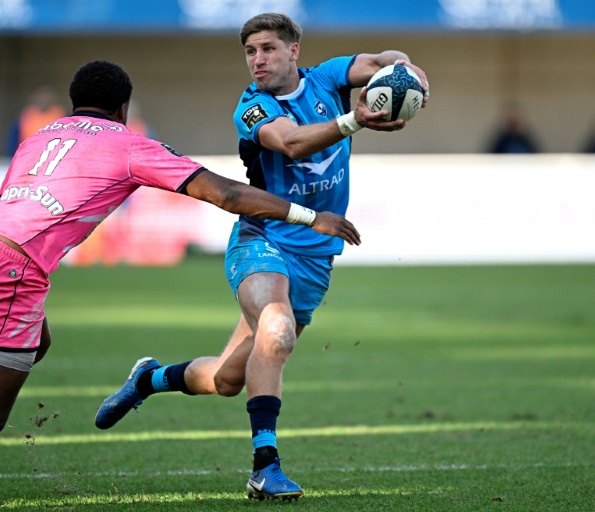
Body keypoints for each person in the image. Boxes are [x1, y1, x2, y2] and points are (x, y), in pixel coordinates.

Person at [0, 59, 360, 505]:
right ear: (123, 108)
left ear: (74, 102)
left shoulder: (41, 135)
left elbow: (8, 198)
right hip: (13, 269)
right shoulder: (128, 144)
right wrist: (310, 216)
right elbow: (227, 194)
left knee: (35, 343)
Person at [95, 12, 429, 502]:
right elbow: (290, 143)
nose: (258, 60)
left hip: (314, 259)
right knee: (277, 328)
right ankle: (265, 467)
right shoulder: (252, 107)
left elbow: (386, 60)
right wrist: (357, 119)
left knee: (228, 378)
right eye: (250, 52)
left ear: (294, 51)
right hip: (263, 238)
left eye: (268, 49)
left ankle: (148, 378)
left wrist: (410, 77)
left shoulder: (328, 78)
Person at [5, 85, 66, 157]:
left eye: (46, 98)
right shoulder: (27, 115)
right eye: (41, 97)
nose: (44, 100)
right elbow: (13, 139)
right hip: (28, 155)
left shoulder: (60, 115)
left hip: (53, 155)